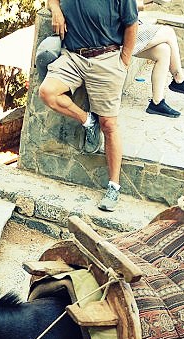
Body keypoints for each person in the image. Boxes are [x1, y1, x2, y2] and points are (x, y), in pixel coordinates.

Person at [38, 0, 139, 212]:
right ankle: (87, 120)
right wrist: (55, 9)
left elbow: (132, 24)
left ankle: (114, 186)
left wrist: (124, 61)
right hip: (73, 57)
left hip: (107, 58)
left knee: (109, 124)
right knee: (47, 92)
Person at [134, 0, 184, 118]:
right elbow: (128, 6)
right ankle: (179, 79)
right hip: (116, 34)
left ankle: (156, 103)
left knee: (163, 51)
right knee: (168, 31)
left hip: (131, 28)